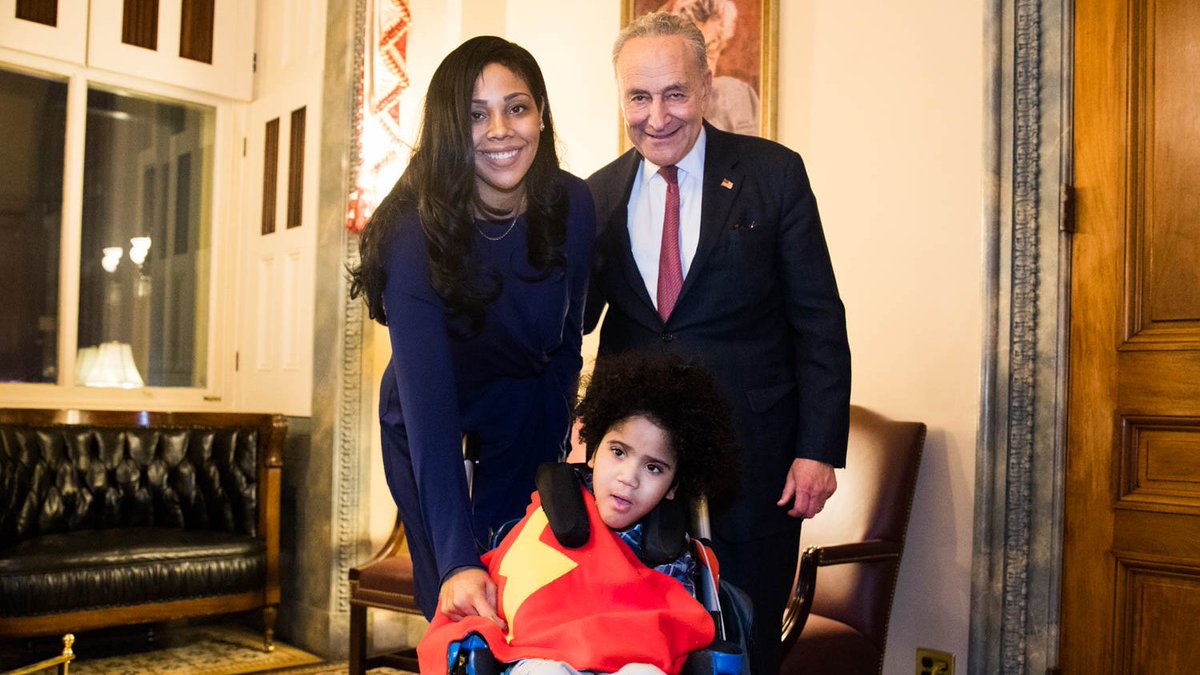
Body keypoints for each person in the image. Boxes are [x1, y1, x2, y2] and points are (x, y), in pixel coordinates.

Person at [585, 12, 851, 674]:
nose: (657, 116)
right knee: (637, 651)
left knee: (744, 647)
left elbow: (818, 319)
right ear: (620, 97)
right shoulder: (594, 196)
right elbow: (570, 326)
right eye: (638, 97)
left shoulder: (773, 174)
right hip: (636, 477)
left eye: (674, 93)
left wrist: (817, 449)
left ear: (706, 87)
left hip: (754, 466)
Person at [349, 35, 595, 626]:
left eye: (517, 107)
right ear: (447, 131)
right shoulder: (414, 232)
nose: (500, 130)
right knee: (467, 611)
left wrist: (557, 450)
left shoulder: (573, 203)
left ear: (540, 115)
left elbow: (566, 346)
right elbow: (430, 409)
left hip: (526, 417)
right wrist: (457, 560)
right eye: (475, 115)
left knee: (534, 608)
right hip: (438, 432)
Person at [416, 352, 740, 675]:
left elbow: (675, 628)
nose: (629, 477)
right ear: (593, 450)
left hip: (635, 660)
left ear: (673, 486)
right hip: (539, 656)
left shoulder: (673, 555)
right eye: (618, 452)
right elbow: (510, 599)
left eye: (653, 467)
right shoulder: (546, 517)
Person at [662, 0, 760, 135]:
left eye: (711, 47)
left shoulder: (741, 95)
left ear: (722, 44)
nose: (704, 63)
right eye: (694, 53)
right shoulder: (662, 103)